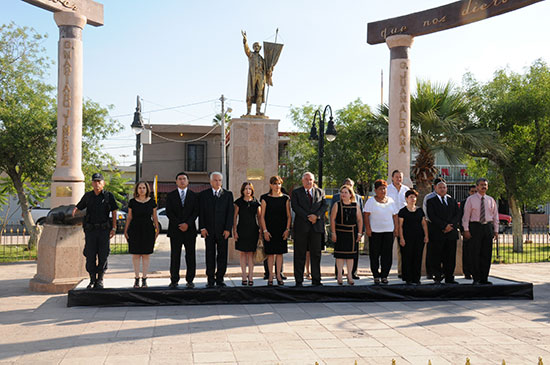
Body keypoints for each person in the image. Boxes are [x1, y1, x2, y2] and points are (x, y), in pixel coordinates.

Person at [73, 173, 118, 289]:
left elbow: (114, 212)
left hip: (104, 231)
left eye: (99, 181)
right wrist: (73, 212)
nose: (97, 184)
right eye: (95, 181)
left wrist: (114, 228)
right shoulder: (88, 196)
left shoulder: (108, 196)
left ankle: (100, 280)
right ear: (92, 183)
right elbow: (78, 208)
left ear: (103, 183)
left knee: (103, 255)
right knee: (90, 255)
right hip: (91, 231)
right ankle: (92, 279)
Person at [291, 172, 328, 287]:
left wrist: (316, 216)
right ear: (302, 181)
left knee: (316, 254)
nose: (308, 181)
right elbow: (295, 207)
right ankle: (299, 280)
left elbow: (324, 206)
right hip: (301, 227)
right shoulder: (296, 193)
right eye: (306, 179)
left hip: (316, 228)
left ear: (314, 181)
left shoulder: (320, 192)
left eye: (311, 179)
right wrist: (309, 217)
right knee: (299, 254)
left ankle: (316, 279)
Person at [199, 172, 234, 288]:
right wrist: (202, 228)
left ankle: (220, 278)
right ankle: (210, 279)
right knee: (210, 255)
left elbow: (230, 213)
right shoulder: (204, 195)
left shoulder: (228, 195)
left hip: (223, 231)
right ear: (210, 181)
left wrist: (228, 229)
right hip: (208, 231)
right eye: (215, 180)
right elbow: (201, 212)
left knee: (222, 255)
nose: (217, 182)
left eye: (219, 180)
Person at [462, 178, 499, 285]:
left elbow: (495, 216)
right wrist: (466, 230)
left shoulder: (490, 200)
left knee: (486, 254)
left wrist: (496, 231)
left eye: (485, 185)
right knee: (475, 253)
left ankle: (484, 278)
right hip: (475, 227)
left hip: (487, 227)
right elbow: (466, 216)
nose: (483, 187)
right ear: (477, 186)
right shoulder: (471, 199)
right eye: (481, 185)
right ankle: (476, 278)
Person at [166, 172, 199, 289]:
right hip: (175, 230)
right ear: (176, 181)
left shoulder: (194, 195)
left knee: (190, 255)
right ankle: (174, 280)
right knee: (175, 255)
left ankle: (190, 279)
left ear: (188, 181)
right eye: (179, 179)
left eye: (184, 179)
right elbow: (169, 212)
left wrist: (187, 224)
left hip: (190, 230)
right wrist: (179, 224)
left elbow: (196, 212)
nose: (182, 181)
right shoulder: (170, 196)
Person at [124, 181, 159, 288]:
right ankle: (136, 278)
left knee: (146, 254)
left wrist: (157, 228)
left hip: (148, 229)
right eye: (140, 188)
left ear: (147, 189)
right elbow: (129, 217)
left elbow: (155, 217)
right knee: (135, 254)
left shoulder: (152, 202)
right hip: (134, 229)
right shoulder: (132, 202)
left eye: (144, 187)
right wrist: (125, 230)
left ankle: (144, 278)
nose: (142, 189)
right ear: (137, 189)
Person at [363, 179, 399, 285]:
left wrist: (396, 228)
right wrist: (368, 229)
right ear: (375, 190)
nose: (383, 191)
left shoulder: (391, 201)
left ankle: (384, 275)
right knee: (374, 254)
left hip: (388, 231)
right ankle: (376, 275)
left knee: (387, 254)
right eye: (380, 189)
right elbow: (366, 215)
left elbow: (395, 215)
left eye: (384, 189)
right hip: (375, 232)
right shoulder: (371, 201)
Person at [426, 179, 460, 284]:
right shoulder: (431, 201)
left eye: (444, 187)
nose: (442, 189)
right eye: (440, 187)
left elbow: (457, 215)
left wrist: (451, 226)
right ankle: (437, 276)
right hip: (437, 233)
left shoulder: (452, 201)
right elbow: (432, 216)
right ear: (435, 188)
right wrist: (444, 226)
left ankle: (449, 277)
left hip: (451, 234)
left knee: (450, 257)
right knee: (436, 256)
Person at [331, 178, 364, 280]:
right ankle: (339, 275)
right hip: (340, 232)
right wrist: (333, 233)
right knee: (339, 255)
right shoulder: (337, 204)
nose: (343, 194)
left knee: (351, 256)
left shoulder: (356, 205)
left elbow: (360, 219)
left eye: (346, 192)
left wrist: (359, 233)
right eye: (342, 192)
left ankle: (350, 275)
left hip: (352, 232)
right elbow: (332, 219)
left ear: (351, 194)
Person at [260, 176, 291, 286]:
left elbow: (289, 216)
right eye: (274, 184)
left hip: (281, 230)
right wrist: (265, 231)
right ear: (270, 185)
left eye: (278, 183)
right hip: (269, 229)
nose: (277, 186)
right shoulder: (265, 198)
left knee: (279, 254)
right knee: (270, 254)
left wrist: (287, 230)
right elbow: (262, 217)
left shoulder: (285, 198)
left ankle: (278, 275)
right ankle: (270, 276)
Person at [398, 190, 429, 285]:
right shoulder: (402, 211)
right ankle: (408, 278)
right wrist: (401, 238)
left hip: (419, 237)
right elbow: (400, 226)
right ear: (407, 198)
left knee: (418, 257)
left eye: (414, 197)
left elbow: (424, 224)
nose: (413, 199)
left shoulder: (420, 210)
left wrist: (426, 236)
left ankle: (416, 278)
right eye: (411, 197)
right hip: (407, 238)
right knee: (407, 257)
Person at [233, 182, 261, 286]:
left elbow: (259, 217)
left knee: (251, 254)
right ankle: (244, 276)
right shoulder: (238, 202)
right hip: (241, 230)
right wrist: (234, 231)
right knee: (243, 253)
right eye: (246, 189)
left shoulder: (256, 202)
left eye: (249, 189)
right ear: (242, 190)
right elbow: (235, 217)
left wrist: (261, 231)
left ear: (252, 190)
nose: (248, 191)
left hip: (253, 230)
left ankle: (251, 276)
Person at [242, 30, 272, 116]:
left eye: (257, 46)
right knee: (251, 93)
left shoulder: (262, 59)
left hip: (261, 76)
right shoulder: (251, 55)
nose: (256, 47)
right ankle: (248, 111)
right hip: (253, 75)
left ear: (260, 48)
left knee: (260, 93)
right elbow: (246, 49)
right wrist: (245, 41)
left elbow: (266, 69)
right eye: (255, 46)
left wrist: (269, 71)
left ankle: (258, 111)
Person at [387, 170, 410, 281]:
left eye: (400, 177)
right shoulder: (387, 189)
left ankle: (402, 271)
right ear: (392, 178)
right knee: (387, 247)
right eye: (396, 177)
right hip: (390, 220)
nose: (398, 179)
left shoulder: (406, 190)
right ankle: (385, 272)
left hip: (403, 221)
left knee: (402, 247)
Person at [460, 185, 477, 280]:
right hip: (467, 230)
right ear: (469, 192)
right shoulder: (464, 202)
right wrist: (463, 230)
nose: (474, 193)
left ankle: (476, 272)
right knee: (467, 252)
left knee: (476, 252)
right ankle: (467, 272)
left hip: (477, 230)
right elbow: (461, 216)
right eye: (472, 191)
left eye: (475, 191)